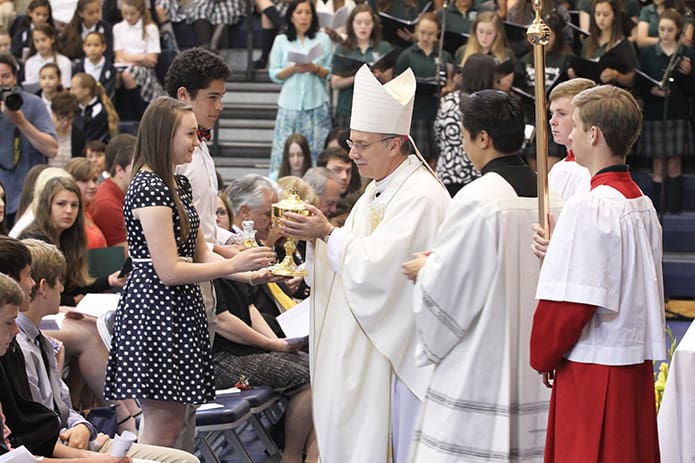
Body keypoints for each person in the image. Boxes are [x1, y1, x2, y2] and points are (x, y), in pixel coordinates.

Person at [278, 65, 450, 463]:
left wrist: (325, 233)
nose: (352, 154)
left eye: (362, 145)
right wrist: (312, 252)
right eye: (352, 143)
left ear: (394, 144)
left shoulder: (421, 195)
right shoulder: (379, 187)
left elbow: (381, 268)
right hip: (366, 343)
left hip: (395, 354)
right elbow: (352, 250)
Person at [103, 97, 276, 447]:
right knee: (163, 425)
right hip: (155, 310)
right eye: (190, 134)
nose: (197, 142)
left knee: (183, 421)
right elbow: (167, 269)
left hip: (180, 309)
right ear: (164, 136)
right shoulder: (148, 187)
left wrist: (250, 275)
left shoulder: (178, 184)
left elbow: (200, 253)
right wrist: (234, 264)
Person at [402, 89, 556, 462]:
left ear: (482, 138)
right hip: (538, 361)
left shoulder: (477, 199)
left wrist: (427, 270)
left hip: (483, 360)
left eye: (465, 135)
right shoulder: (551, 197)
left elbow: (451, 289)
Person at [529, 85, 665, 463]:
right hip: (632, 364)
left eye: (577, 125)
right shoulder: (641, 202)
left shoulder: (591, 206)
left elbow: (574, 302)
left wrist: (544, 354)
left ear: (594, 134)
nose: (569, 133)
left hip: (595, 366)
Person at [637, 8, 695, 214]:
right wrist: (651, 90)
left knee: (674, 164)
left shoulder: (686, 54)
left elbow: (690, 90)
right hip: (655, 112)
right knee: (658, 165)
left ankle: (674, 211)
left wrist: (688, 74)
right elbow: (640, 83)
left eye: (670, 29)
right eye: (662, 29)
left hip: (676, 111)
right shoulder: (647, 53)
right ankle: (657, 211)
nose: (665, 33)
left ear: (679, 30)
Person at [268, 0, 333, 180]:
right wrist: (293, 69)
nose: (303, 17)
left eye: (307, 12)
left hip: (316, 104)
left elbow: (331, 71)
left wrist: (316, 68)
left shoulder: (323, 39)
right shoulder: (281, 40)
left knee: (316, 150)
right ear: (291, 16)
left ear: (313, 16)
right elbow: (274, 74)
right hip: (290, 106)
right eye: (299, 12)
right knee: (287, 150)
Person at [0, 52, 58, 227]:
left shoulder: (33, 104)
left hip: (29, 198)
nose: (1, 82)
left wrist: (20, 121)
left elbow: (51, 149)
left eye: (5, 76)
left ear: (15, 78)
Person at [394, 12, 454, 165]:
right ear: (416, 30)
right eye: (422, 32)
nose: (426, 37)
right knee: (416, 159)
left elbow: (451, 82)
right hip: (415, 114)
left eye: (430, 33)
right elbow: (396, 86)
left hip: (438, 112)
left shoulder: (444, 56)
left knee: (437, 158)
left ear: (437, 34)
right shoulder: (407, 56)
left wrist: (448, 88)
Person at [434, 53, 495, 197]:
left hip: (447, 175)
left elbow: (438, 135)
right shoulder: (492, 105)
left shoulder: (448, 101)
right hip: (479, 176)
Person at [331, 4, 393, 127]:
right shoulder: (343, 49)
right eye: (359, 22)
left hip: (375, 110)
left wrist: (379, 76)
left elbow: (389, 82)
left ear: (373, 24)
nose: (363, 27)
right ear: (352, 24)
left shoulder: (384, 47)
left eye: (367, 22)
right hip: (348, 108)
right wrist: (358, 77)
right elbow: (335, 83)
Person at [568, 0, 636, 87]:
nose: (601, 18)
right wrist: (575, 75)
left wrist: (617, 75)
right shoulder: (588, 43)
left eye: (606, 15)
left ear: (614, 15)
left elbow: (632, 80)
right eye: (598, 14)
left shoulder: (624, 45)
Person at [112, 0, 165, 107]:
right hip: (123, 67)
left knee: (128, 75)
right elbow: (118, 57)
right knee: (114, 74)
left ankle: (140, 112)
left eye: (132, 14)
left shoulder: (151, 28)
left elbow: (151, 61)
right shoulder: (117, 28)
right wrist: (142, 58)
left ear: (140, 11)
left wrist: (127, 58)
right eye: (125, 13)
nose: (128, 17)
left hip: (144, 71)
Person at [92, 134, 135, 249]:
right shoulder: (108, 205)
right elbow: (123, 254)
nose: (143, 173)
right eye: (137, 167)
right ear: (120, 170)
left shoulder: (120, 193)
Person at [64, 157, 107, 248]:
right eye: (84, 180)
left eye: (94, 180)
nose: (92, 186)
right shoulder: (67, 217)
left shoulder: (87, 213)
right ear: (71, 182)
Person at [71, 72, 119, 143]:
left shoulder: (98, 111)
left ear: (86, 91)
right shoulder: (77, 108)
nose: (71, 92)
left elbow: (90, 139)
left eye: (74, 89)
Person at [21, 23, 71, 89]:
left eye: (43, 40)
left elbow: (66, 86)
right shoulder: (30, 62)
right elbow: (30, 87)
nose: (40, 44)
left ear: (52, 39)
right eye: (37, 41)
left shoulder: (64, 61)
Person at [72, 32, 117, 100]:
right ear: (84, 47)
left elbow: (109, 91)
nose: (92, 49)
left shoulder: (110, 68)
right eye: (89, 45)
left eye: (96, 45)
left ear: (104, 47)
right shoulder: (78, 68)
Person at [49, 91, 86, 168]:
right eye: (60, 118)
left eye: (69, 118)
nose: (65, 123)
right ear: (52, 113)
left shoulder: (78, 136)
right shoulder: (43, 131)